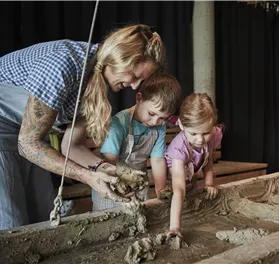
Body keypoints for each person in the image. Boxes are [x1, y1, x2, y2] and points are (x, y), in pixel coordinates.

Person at [0, 24, 165, 230]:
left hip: (30, 135)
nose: (135, 86)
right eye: (134, 75)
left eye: (142, 80)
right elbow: (27, 143)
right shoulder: (63, 65)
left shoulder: (97, 86)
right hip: (9, 130)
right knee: (12, 224)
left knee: (40, 218)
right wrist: (88, 177)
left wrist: (110, 171)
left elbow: (73, 146)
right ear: (118, 58)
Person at [94, 73, 181, 211]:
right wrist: (124, 192)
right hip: (111, 184)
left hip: (139, 185)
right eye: (152, 114)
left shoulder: (159, 127)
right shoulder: (119, 123)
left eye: (162, 118)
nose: (154, 122)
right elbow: (109, 162)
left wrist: (161, 190)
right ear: (139, 98)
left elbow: (157, 160)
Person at [164, 93, 223, 237]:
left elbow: (207, 158)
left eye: (205, 133)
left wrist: (209, 183)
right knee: (179, 201)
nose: (200, 139)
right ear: (181, 125)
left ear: (213, 125)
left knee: (193, 208)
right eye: (194, 134)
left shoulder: (213, 134)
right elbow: (178, 188)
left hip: (192, 180)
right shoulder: (178, 148)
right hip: (173, 189)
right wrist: (175, 228)